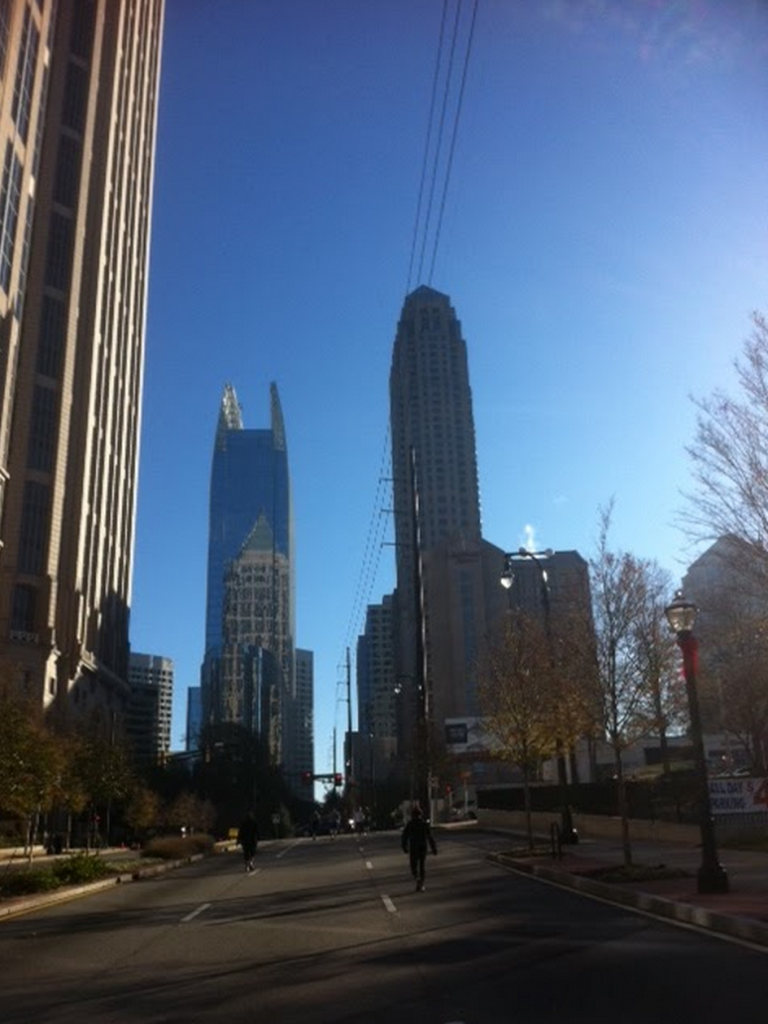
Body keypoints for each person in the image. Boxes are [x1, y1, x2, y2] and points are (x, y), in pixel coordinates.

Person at [401, 805, 437, 891]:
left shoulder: (410, 824)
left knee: (414, 866)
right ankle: (421, 883)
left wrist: (404, 847)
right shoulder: (424, 824)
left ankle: (418, 879)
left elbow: (404, 836)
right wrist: (433, 848)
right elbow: (430, 837)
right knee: (422, 865)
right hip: (422, 847)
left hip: (414, 847)